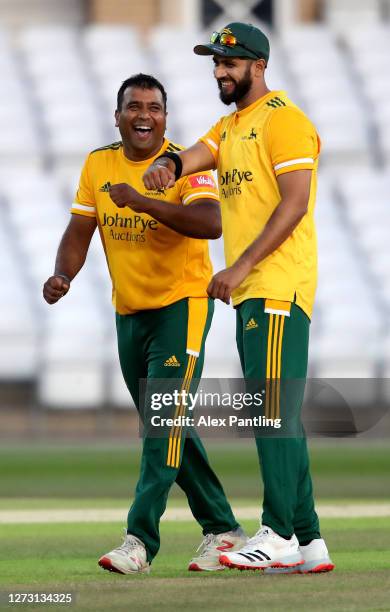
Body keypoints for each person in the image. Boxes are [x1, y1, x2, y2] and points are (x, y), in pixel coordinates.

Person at [142, 24, 335, 574]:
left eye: (230, 63)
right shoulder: (231, 125)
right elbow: (198, 153)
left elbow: (294, 204)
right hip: (255, 292)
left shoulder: (286, 121)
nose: (220, 72)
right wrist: (170, 167)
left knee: (272, 414)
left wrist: (242, 265)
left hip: (276, 286)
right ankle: (310, 540)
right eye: (216, 63)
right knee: (280, 416)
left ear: (258, 65)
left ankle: (275, 534)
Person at [43, 73, 246, 575]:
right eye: (134, 106)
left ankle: (139, 541)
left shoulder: (186, 163)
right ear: (118, 116)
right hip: (129, 313)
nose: (143, 115)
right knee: (169, 425)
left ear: (165, 118)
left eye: (154, 108)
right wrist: (62, 274)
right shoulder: (99, 163)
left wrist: (143, 201)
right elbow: (79, 228)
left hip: (181, 307)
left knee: (162, 424)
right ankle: (223, 528)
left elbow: (210, 223)